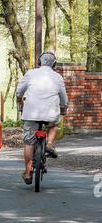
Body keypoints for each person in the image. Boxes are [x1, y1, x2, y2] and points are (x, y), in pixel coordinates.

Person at [16, 52, 68, 184]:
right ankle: (50, 145)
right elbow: (63, 98)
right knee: (54, 124)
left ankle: (28, 173)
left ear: (39, 62)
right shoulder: (57, 77)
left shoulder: (30, 73)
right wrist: (63, 107)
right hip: (50, 112)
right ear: (54, 64)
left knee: (29, 142)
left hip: (31, 113)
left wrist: (20, 100)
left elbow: (19, 92)